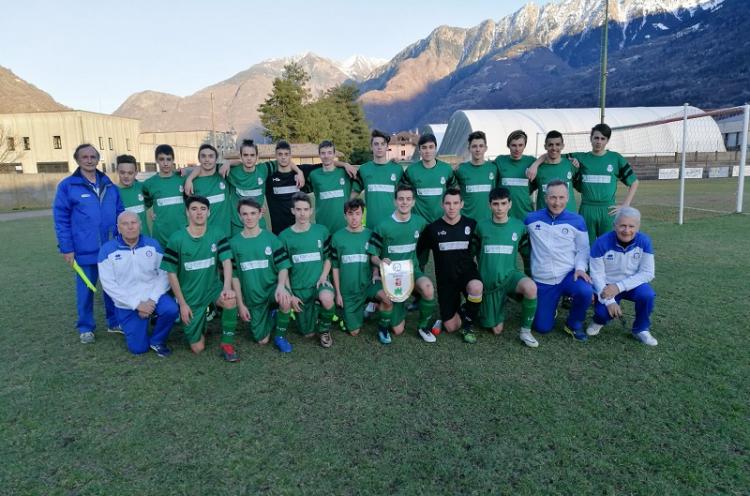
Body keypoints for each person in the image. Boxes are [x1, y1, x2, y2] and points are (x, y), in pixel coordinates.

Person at [53, 143, 124, 344]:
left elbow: (120, 213)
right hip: (84, 250)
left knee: (112, 288)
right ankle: (86, 327)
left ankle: (114, 322)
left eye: (93, 156)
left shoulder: (109, 185)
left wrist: (120, 240)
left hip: (109, 249)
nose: (89, 160)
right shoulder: (68, 186)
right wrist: (66, 248)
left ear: (98, 159)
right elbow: (61, 219)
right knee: (85, 290)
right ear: (77, 160)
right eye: (85, 157)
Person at [160, 195, 238, 358]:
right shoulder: (176, 239)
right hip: (190, 296)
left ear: (208, 212)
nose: (199, 213)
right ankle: (201, 319)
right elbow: (171, 273)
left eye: (203, 209)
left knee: (230, 300)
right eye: (194, 209)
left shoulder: (217, 233)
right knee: (198, 348)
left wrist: (226, 287)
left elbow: (226, 261)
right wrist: (182, 304)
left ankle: (227, 344)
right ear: (187, 212)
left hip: (212, 288)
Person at [98, 211, 178, 356]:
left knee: (171, 309)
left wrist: (152, 300)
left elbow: (164, 274)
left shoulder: (152, 245)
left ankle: (157, 340)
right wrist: (137, 304)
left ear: (140, 225)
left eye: (133, 223)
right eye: (125, 224)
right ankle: (137, 322)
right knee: (138, 348)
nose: (130, 227)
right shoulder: (107, 250)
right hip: (127, 302)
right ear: (118, 228)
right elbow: (109, 285)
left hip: (153, 296)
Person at [368, 184, 437, 344]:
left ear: (413, 202)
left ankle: (423, 327)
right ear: (395, 201)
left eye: (408, 199)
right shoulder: (383, 226)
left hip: (411, 272)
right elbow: (372, 255)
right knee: (398, 330)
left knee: (428, 288)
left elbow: (429, 242)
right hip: (390, 275)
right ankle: (383, 326)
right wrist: (380, 262)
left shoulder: (420, 223)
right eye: (401, 199)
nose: (404, 202)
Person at [525, 180, 593, 341]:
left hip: (568, 275)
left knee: (585, 291)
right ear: (545, 198)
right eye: (553, 197)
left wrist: (580, 268)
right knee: (542, 327)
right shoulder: (531, 219)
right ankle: (550, 307)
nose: (557, 202)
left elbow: (583, 249)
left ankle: (573, 324)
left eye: (561, 197)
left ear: (567, 198)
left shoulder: (577, 220)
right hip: (543, 279)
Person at [472, 187, 539, 347]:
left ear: (510, 204)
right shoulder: (481, 226)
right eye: (495, 204)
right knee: (496, 329)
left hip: (510, 276)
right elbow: (470, 254)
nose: (500, 208)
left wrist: (530, 275)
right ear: (489, 205)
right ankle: (491, 304)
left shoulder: (519, 227)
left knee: (531, 288)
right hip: (489, 283)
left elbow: (526, 254)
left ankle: (525, 331)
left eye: (503, 203)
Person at [230, 198, 295, 354]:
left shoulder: (271, 239)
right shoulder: (234, 243)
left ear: (260, 214)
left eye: (253, 213)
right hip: (253, 297)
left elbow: (283, 266)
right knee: (262, 340)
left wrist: (281, 286)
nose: (249, 217)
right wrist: (240, 304)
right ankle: (272, 314)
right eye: (245, 214)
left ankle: (280, 336)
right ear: (239, 216)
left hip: (272, 289)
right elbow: (234, 276)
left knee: (285, 298)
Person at [419, 189, 483, 343]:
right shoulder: (432, 229)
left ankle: (468, 325)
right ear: (442, 205)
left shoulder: (471, 225)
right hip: (446, 280)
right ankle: (465, 308)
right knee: (450, 326)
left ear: (462, 204)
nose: (452, 207)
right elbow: (418, 251)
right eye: (448, 203)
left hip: (467, 274)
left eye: (455, 203)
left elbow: (481, 249)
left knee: (476, 287)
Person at [587, 207, 657, 346]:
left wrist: (619, 287)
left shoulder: (644, 241)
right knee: (603, 313)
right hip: (606, 285)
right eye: (622, 225)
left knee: (647, 295)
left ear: (638, 227)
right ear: (614, 226)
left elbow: (648, 273)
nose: (627, 230)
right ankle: (598, 321)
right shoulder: (601, 243)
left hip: (632, 284)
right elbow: (596, 275)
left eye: (631, 226)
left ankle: (641, 329)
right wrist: (610, 302)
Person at [278, 193, 337, 348]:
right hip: (299, 288)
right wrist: (290, 294)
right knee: (307, 333)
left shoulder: (321, 231)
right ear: (293, 211)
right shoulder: (284, 236)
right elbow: (284, 268)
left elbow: (328, 257)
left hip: (319, 282)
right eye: (298, 209)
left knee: (327, 298)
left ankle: (324, 329)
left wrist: (324, 276)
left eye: (305, 209)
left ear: (311, 211)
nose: (302, 213)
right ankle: (315, 309)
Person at [330, 198, 393, 337]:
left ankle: (381, 326)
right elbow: (335, 267)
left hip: (368, 285)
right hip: (349, 291)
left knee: (388, 299)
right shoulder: (337, 237)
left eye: (357, 213)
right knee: (354, 332)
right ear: (345, 216)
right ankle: (348, 313)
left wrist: (376, 271)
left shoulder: (370, 234)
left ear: (362, 214)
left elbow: (374, 256)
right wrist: (338, 293)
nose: (354, 218)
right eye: (350, 213)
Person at [572, 124, 640, 244]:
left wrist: (626, 204)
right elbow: (556, 155)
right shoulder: (581, 157)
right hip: (587, 209)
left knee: (609, 246)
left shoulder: (615, 158)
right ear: (591, 138)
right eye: (596, 138)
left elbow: (634, 182)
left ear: (607, 140)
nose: (599, 142)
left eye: (603, 139)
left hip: (608, 210)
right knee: (585, 246)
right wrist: (572, 161)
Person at [494, 130, 536, 275]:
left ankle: (529, 285)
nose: (517, 149)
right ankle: (506, 285)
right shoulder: (500, 161)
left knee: (528, 256)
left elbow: (548, 158)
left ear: (525, 146)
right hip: (505, 219)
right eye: (513, 145)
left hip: (525, 217)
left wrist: (537, 164)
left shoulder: (530, 161)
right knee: (505, 256)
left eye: (520, 145)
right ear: (508, 145)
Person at [306, 140, 361, 233]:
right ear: (319, 155)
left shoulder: (345, 172)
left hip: (344, 227)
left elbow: (361, 183)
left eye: (329, 153)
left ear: (334, 154)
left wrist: (348, 198)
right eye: (323, 153)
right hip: (323, 226)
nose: (326, 156)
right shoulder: (313, 175)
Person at [356, 130, 405, 229]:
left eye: (382, 144)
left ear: (387, 147)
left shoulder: (397, 169)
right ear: (371, 147)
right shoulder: (364, 169)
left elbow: (406, 197)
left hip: (393, 225)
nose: (379, 147)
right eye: (376, 144)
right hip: (372, 226)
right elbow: (353, 194)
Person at [141, 144, 187, 248]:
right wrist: (150, 212)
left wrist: (187, 170)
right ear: (156, 160)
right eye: (161, 159)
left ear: (173, 160)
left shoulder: (182, 180)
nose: (165, 163)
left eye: (168, 159)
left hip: (181, 232)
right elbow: (146, 205)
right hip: (160, 235)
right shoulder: (149, 183)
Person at [186, 144, 233, 240]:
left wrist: (229, 162)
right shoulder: (192, 183)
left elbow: (242, 161)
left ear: (216, 159)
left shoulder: (224, 175)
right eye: (203, 156)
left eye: (211, 156)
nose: (207, 160)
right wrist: (189, 179)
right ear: (199, 159)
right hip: (203, 236)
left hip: (225, 233)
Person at [453, 131, 498, 222]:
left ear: (486, 148)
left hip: (488, 221)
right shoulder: (460, 169)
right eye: (474, 146)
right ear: (469, 148)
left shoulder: (494, 168)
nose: (478, 149)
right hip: (466, 221)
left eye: (481, 146)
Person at [529, 131, 577, 212]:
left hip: (568, 217)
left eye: (557, 144)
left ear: (562, 146)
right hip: (544, 217)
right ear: (545, 146)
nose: (554, 148)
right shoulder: (537, 169)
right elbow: (527, 191)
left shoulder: (571, 165)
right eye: (550, 145)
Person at [115, 155, 149, 234]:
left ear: (136, 173)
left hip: (144, 238)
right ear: (117, 171)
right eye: (122, 172)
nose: (126, 176)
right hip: (125, 239)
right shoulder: (112, 192)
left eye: (130, 173)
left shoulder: (142, 187)